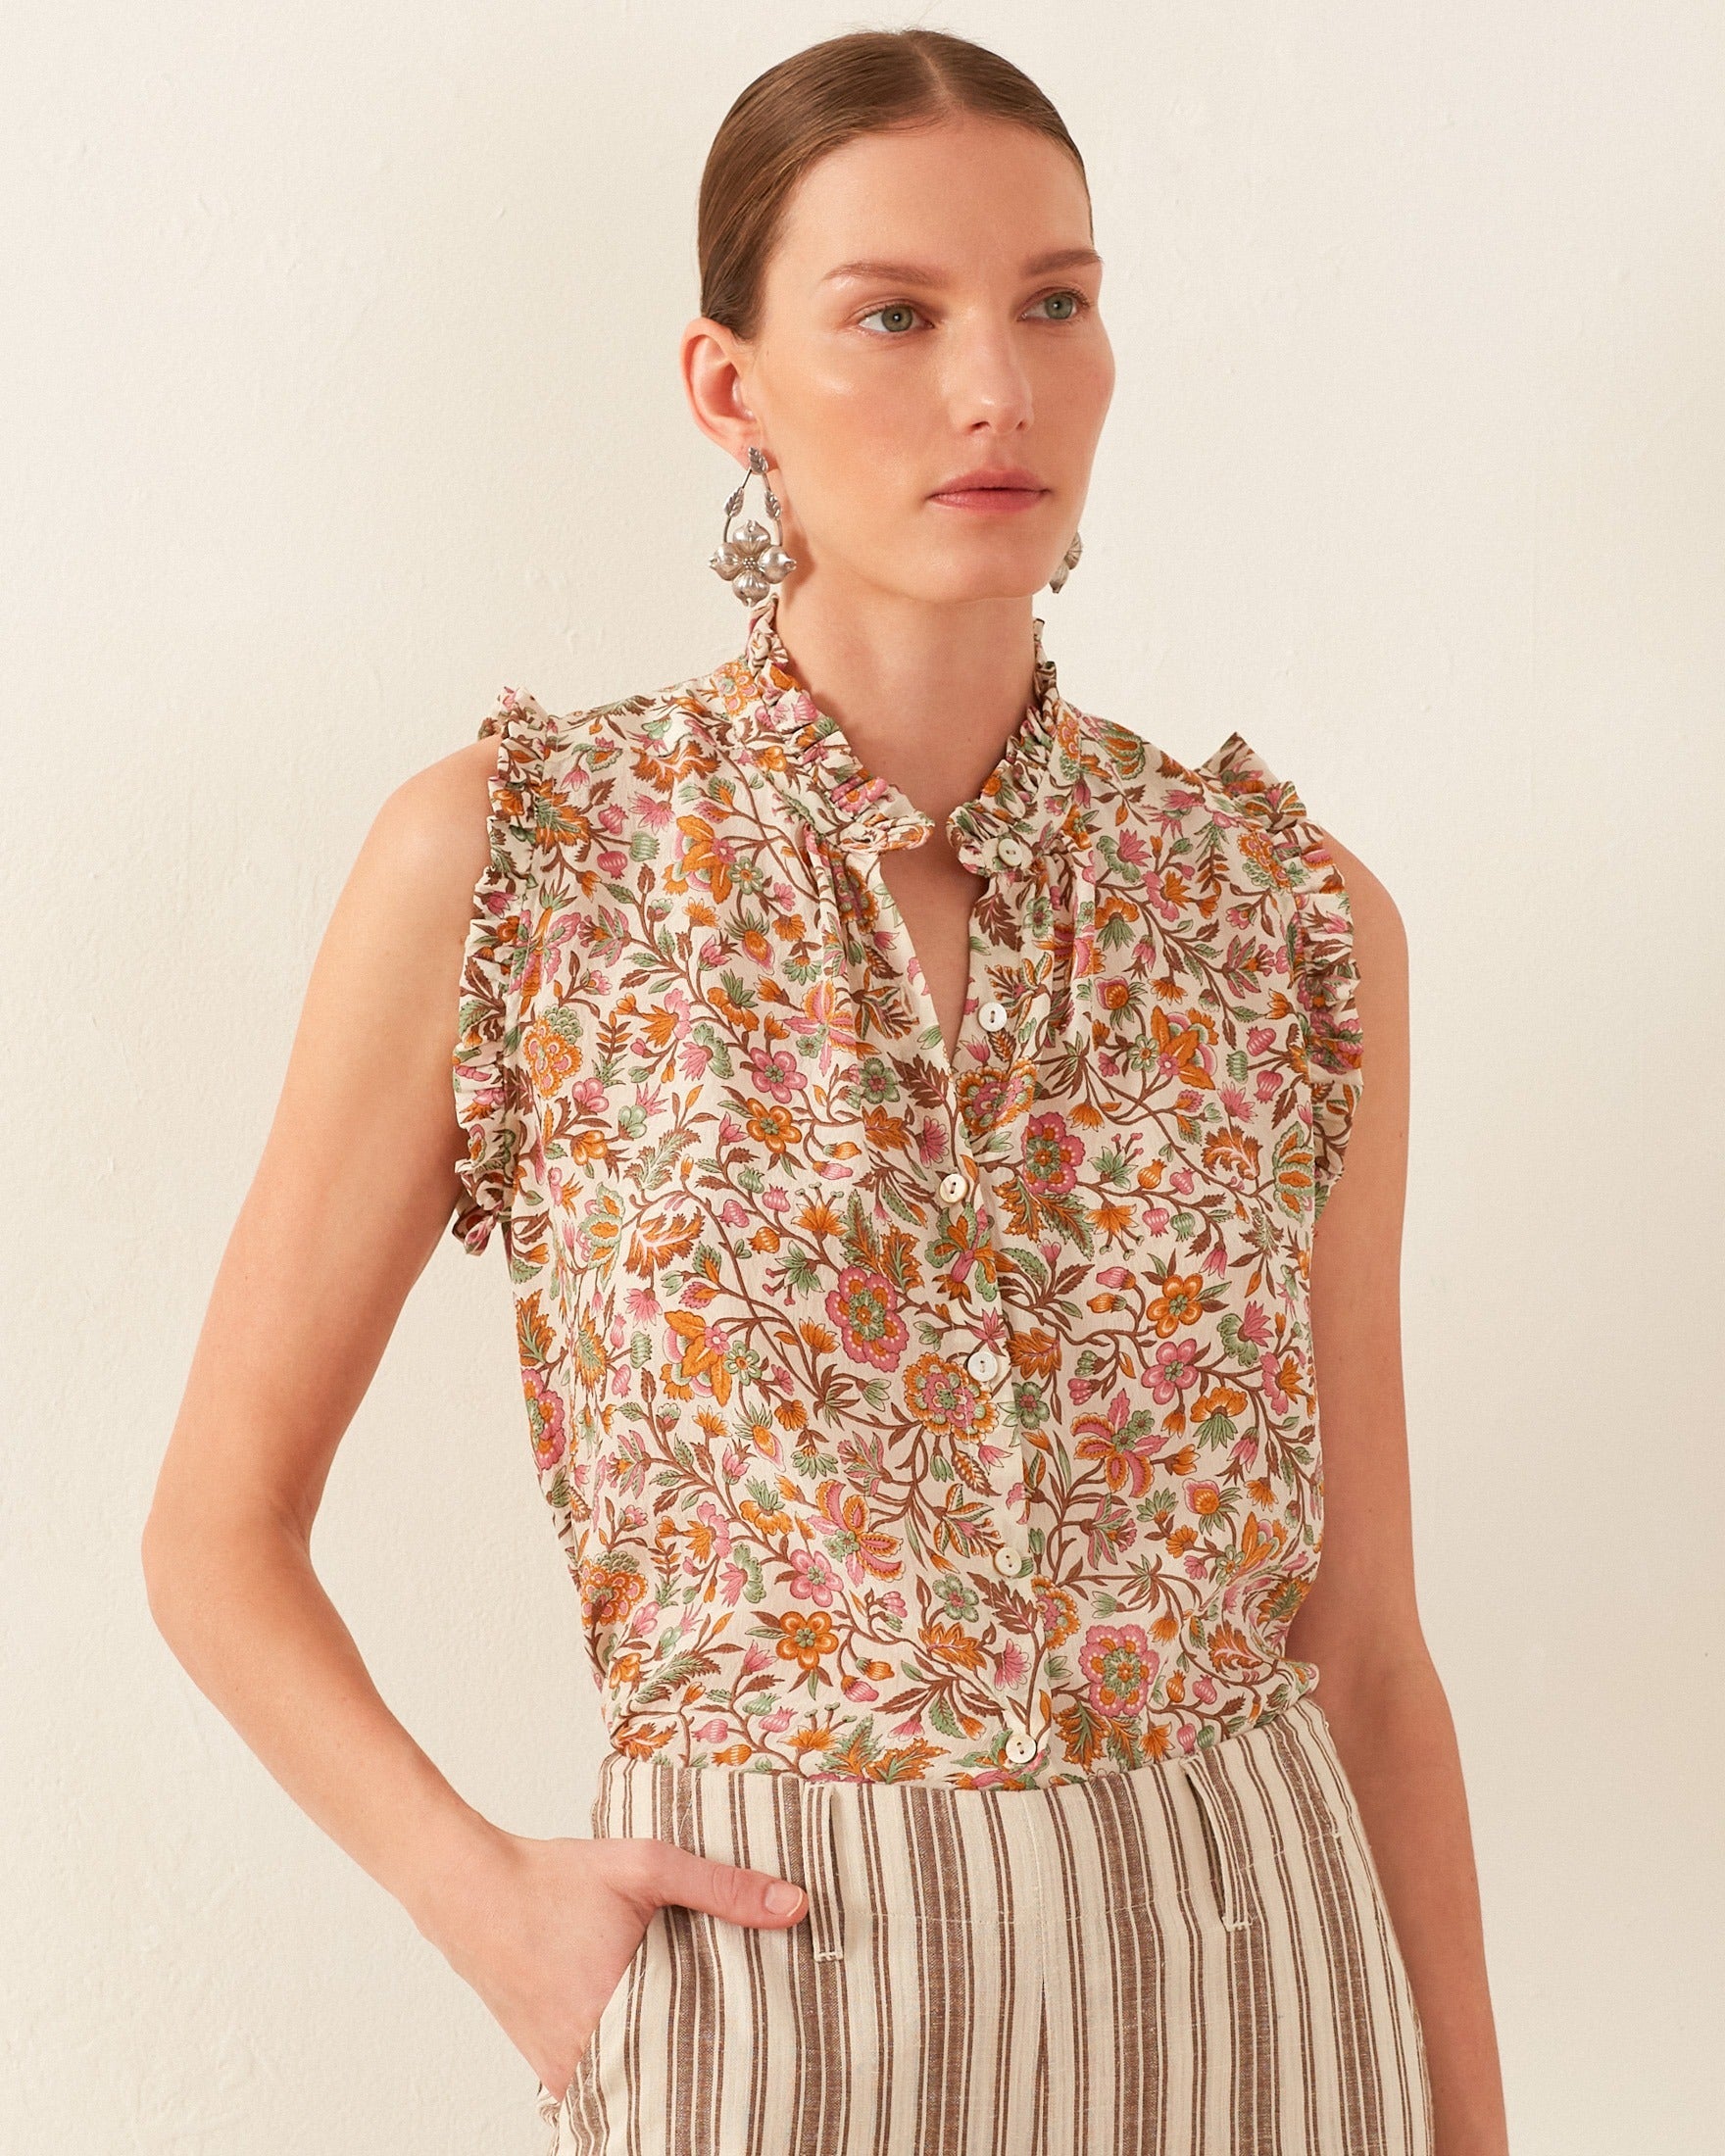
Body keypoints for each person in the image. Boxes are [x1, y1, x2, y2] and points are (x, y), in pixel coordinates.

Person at [143, 26, 1509, 2156]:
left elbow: (1370, 1646)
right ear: (729, 388)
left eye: (1055, 301)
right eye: (897, 315)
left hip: (1263, 1987)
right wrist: (486, 1903)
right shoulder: (521, 865)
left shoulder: (1286, 913)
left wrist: (1473, 2124)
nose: (1000, 388)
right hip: (781, 2009)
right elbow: (216, 1531)